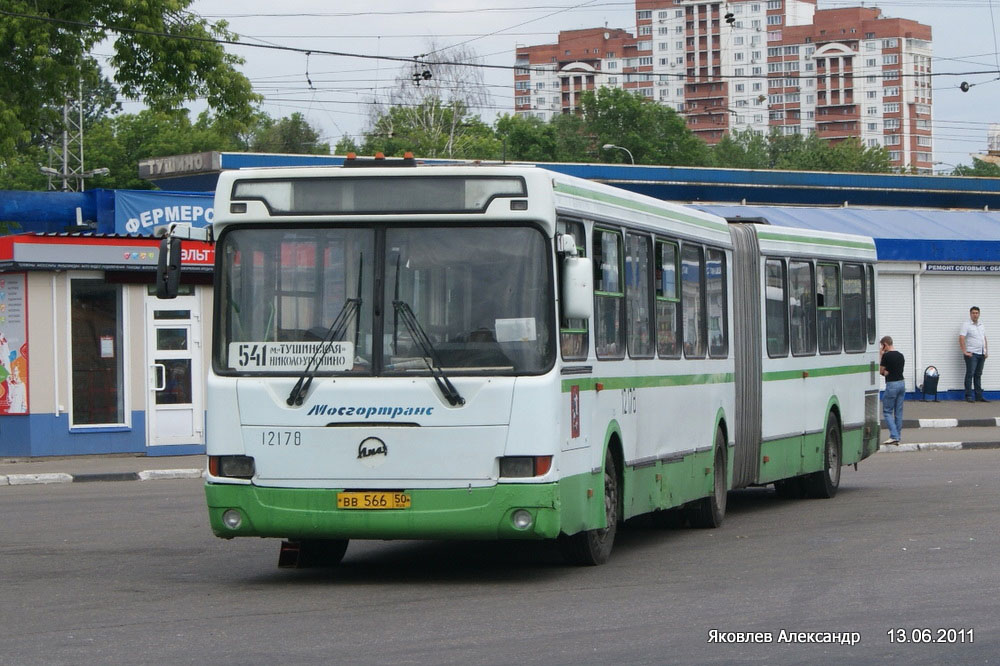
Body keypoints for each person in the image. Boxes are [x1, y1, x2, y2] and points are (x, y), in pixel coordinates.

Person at [959, 306, 989, 403]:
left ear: (979, 314)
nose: (975, 315)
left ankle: (979, 396)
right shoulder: (966, 325)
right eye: (973, 313)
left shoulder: (981, 325)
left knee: (978, 374)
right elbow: (961, 338)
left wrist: (985, 351)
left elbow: (983, 338)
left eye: (977, 313)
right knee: (970, 374)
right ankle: (968, 396)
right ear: (970, 314)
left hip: (981, 354)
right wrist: (964, 351)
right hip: (972, 354)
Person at [879, 335, 905, 445]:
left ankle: (894, 436)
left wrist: (881, 355)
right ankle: (897, 436)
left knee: (887, 411)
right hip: (902, 383)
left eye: (882, 346)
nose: (881, 348)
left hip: (892, 385)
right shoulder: (900, 355)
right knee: (898, 412)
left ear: (885, 344)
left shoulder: (886, 356)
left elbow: (881, 371)